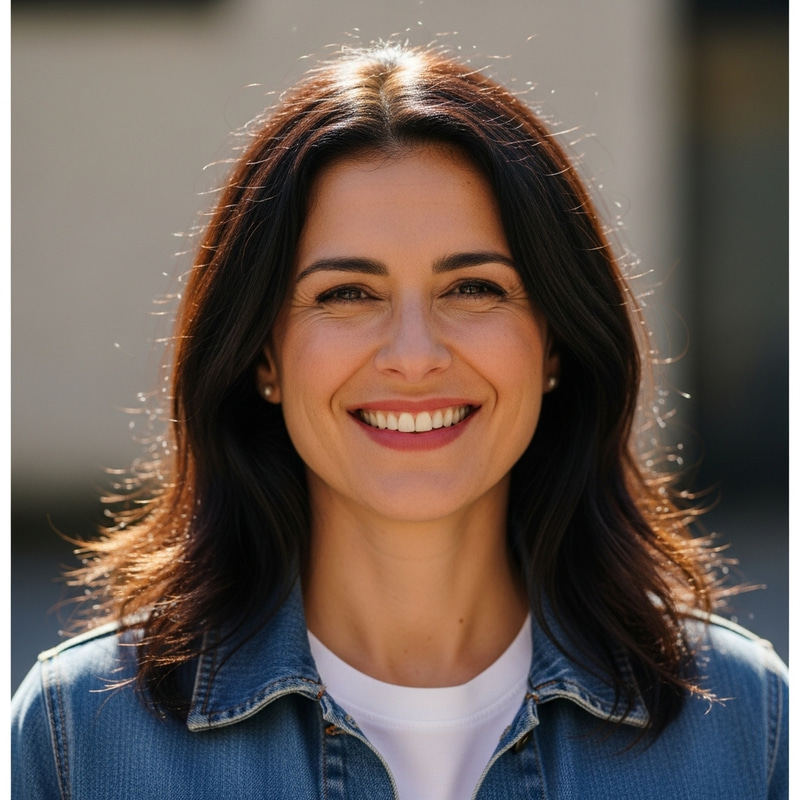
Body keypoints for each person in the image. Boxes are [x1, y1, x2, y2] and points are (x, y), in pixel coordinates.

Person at [12, 43, 787, 799]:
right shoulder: (77, 735)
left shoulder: (749, 722)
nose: (414, 357)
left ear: (555, 344)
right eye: (347, 294)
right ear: (264, 358)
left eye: (474, 288)